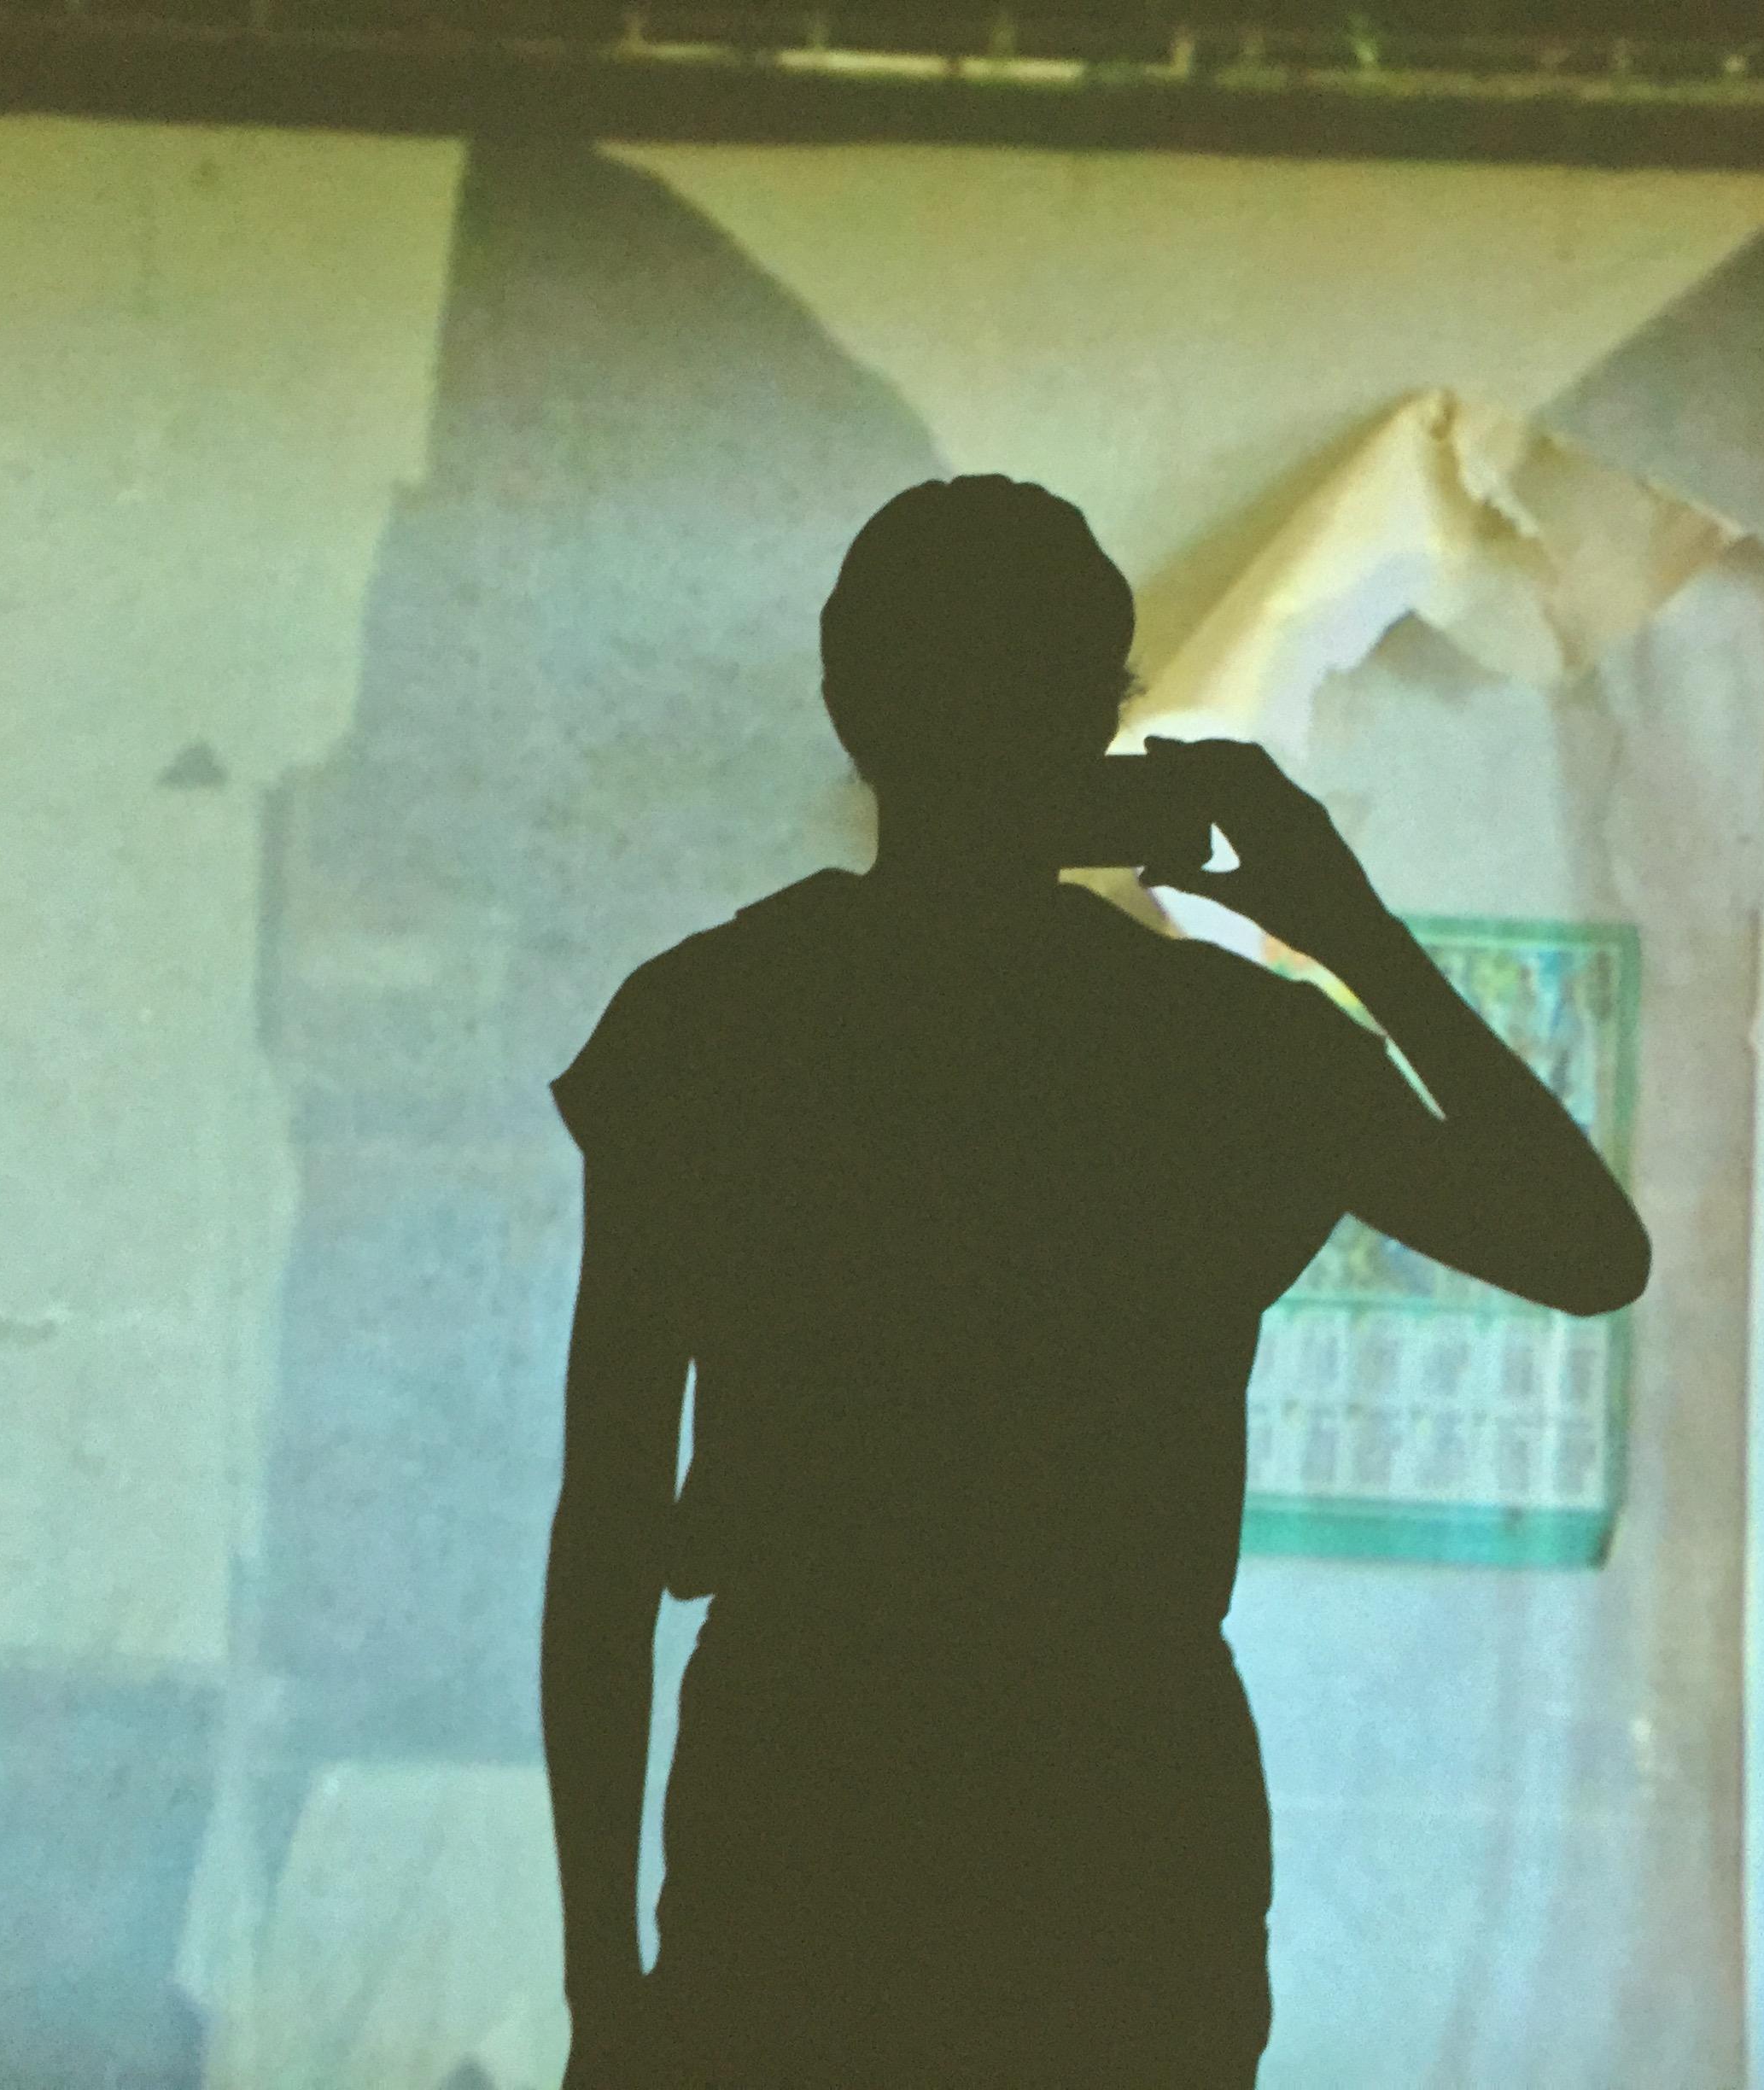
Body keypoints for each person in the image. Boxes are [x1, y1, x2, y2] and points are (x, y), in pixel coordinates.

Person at [542, 476, 1650, 2088]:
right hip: (1125, 1831)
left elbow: (609, 1537)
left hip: (801, 1818)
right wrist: (1349, 926)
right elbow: (1586, 1251)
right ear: (1104, 717)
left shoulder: (709, 1026)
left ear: (850, 704)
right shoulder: (1220, 1051)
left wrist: (601, 1985)